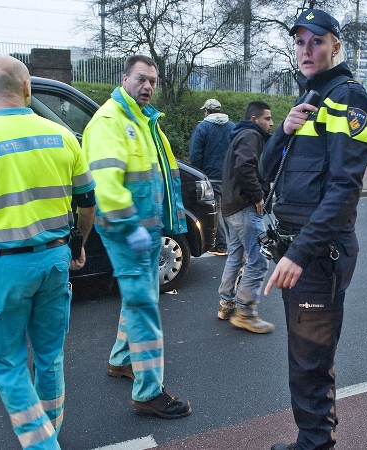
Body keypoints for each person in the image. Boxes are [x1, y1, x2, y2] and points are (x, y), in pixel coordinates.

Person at [0, 54, 97, 450]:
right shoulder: (63, 137)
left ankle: (43, 445)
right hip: (56, 260)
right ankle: (51, 433)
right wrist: (77, 244)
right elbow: (87, 201)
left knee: (5, 361)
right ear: (28, 88)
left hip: (9, 268)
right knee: (49, 357)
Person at [260, 9, 367, 450]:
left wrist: (298, 253)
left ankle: (315, 445)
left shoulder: (350, 101)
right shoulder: (308, 100)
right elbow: (264, 173)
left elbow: (344, 190)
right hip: (299, 249)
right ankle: (311, 441)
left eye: (316, 41)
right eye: (300, 42)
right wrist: (282, 133)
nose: (306, 50)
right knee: (303, 358)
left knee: (310, 362)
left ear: (335, 45)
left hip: (317, 253)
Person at [83, 55, 192, 419]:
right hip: (126, 231)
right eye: (141, 79)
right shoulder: (111, 122)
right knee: (145, 306)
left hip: (141, 230)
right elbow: (105, 185)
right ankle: (148, 392)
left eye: (153, 81)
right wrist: (132, 228)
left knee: (137, 298)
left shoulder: (141, 120)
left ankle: (121, 360)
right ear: (125, 78)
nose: (148, 87)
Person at [217, 101, 275, 333]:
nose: (271, 123)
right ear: (255, 119)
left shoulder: (240, 135)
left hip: (231, 206)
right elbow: (244, 167)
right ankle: (245, 311)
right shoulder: (252, 136)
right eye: (267, 118)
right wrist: (259, 196)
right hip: (245, 206)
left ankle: (226, 303)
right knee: (259, 258)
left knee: (235, 255)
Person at [188, 98, 234, 255]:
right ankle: (231, 243)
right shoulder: (232, 127)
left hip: (210, 177)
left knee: (217, 210)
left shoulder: (202, 127)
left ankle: (222, 244)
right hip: (229, 177)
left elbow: (195, 154)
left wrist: (196, 174)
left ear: (206, 111)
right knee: (228, 210)